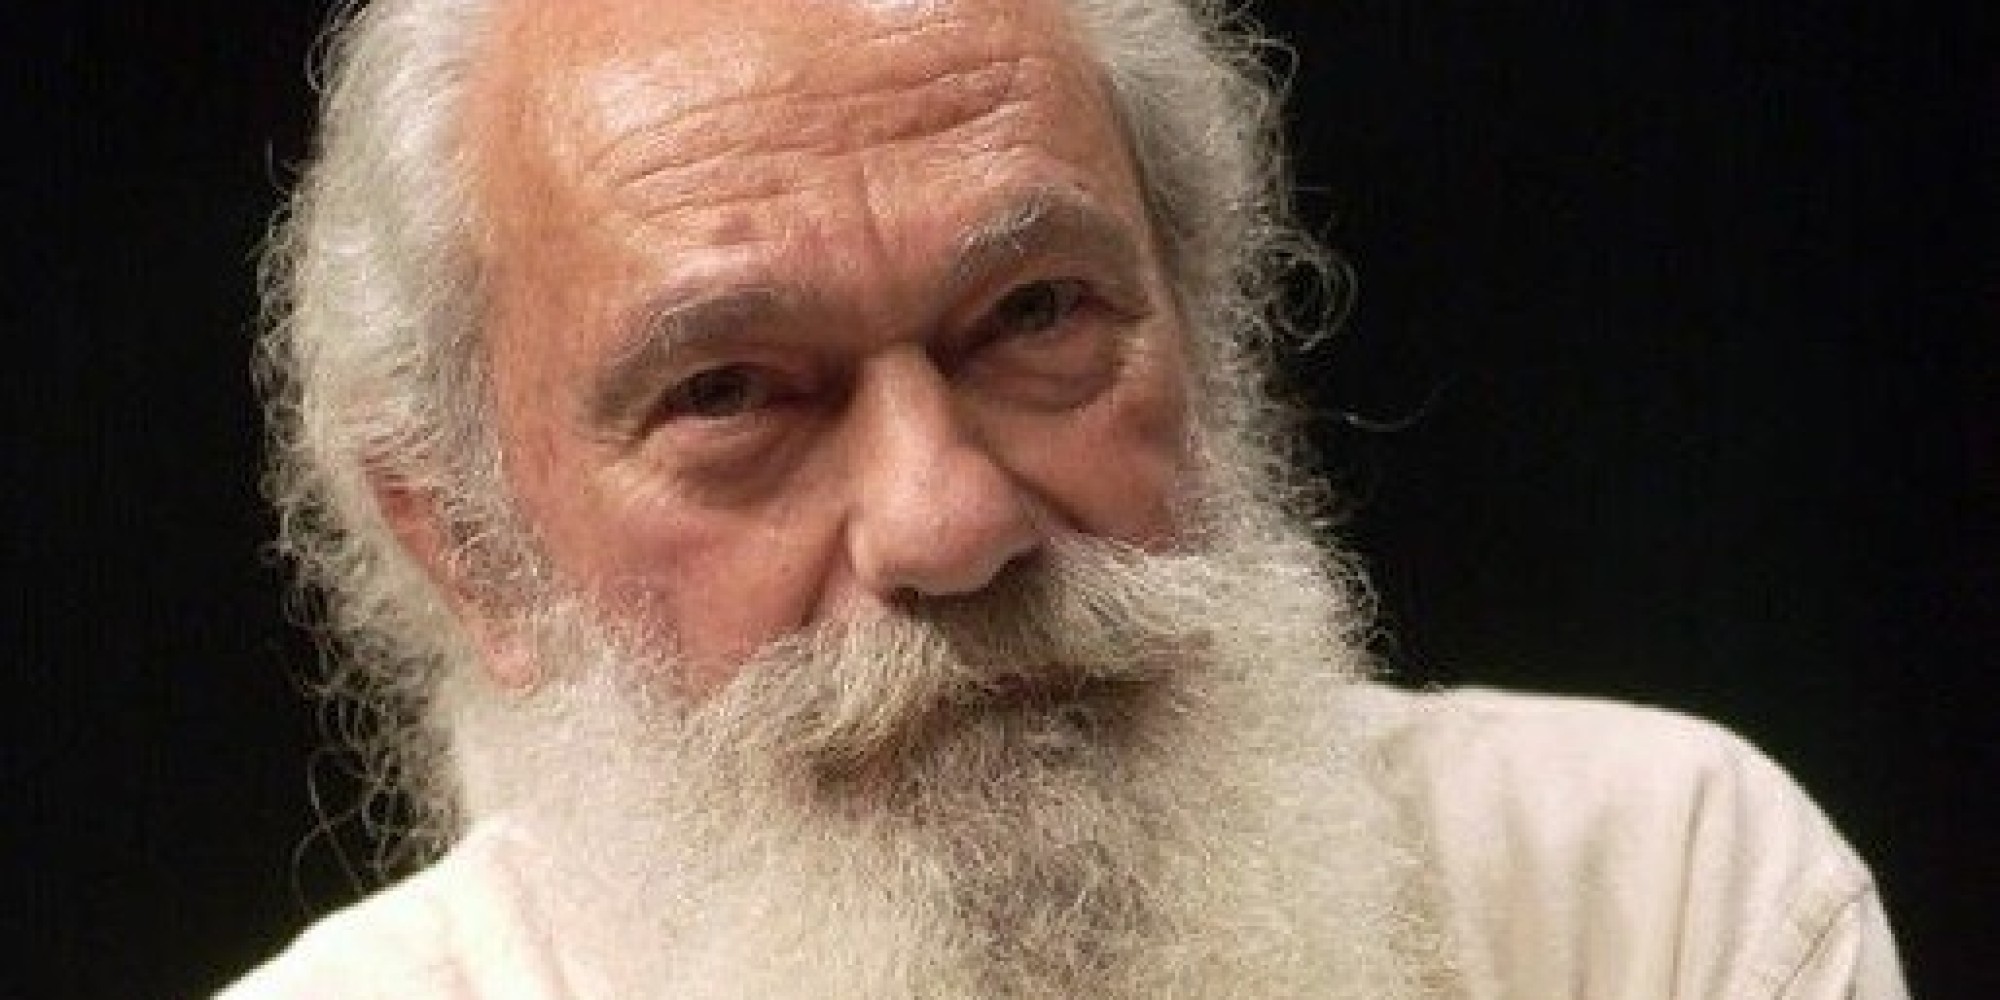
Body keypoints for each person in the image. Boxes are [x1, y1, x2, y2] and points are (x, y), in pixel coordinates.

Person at [223, 0, 1909, 996]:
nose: (952, 524)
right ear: (472, 552)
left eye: (1034, 315)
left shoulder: (1649, 900)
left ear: (1205, 336)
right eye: (730, 394)